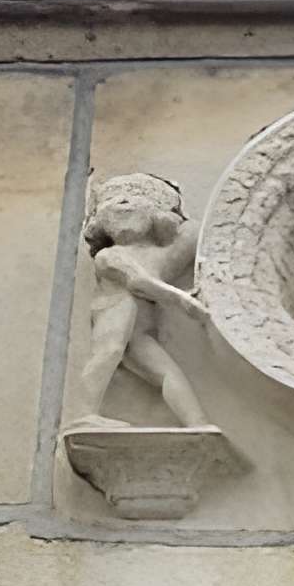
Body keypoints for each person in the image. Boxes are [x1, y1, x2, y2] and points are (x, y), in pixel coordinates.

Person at [72, 172, 213, 429]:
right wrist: (181, 300)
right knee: (108, 352)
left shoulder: (156, 254)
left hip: (139, 332)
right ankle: (86, 414)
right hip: (114, 313)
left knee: (166, 372)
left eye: (133, 199)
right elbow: (139, 281)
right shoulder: (110, 256)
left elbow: (190, 240)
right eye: (115, 203)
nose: (123, 203)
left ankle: (197, 422)